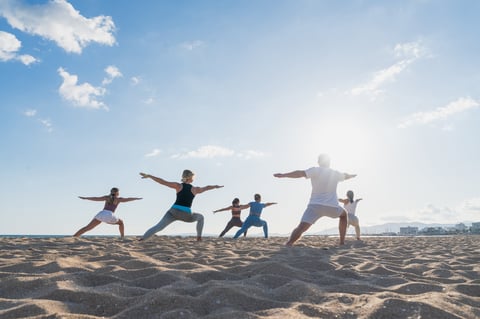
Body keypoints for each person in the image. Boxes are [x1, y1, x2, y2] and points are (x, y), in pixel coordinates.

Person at [274, 154, 356, 246]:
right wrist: (352, 176)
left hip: (314, 206)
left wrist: (284, 175)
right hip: (332, 207)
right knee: (344, 215)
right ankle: (341, 242)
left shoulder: (315, 170)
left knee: (301, 227)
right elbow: (346, 175)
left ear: (319, 162)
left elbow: (299, 173)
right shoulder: (335, 173)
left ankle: (289, 243)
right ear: (329, 162)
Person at [139, 170, 223, 241]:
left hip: (173, 212)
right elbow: (207, 187)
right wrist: (215, 186)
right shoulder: (195, 189)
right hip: (186, 214)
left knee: (158, 227)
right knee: (200, 217)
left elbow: (163, 182)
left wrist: (150, 176)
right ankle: (199, 238)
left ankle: (142, 239)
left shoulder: (178, 186)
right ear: (190, 178)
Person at [74, 187, 142, 239]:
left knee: (87, 228)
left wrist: (85, 198)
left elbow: (96, 198)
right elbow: (128, 199)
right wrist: (136, 198)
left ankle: (74, 237)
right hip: (109, 215)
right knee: (121, 223)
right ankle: (122, 237)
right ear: (117, 193)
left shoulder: (107, 197)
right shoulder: (118, 199)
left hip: (101, 214)